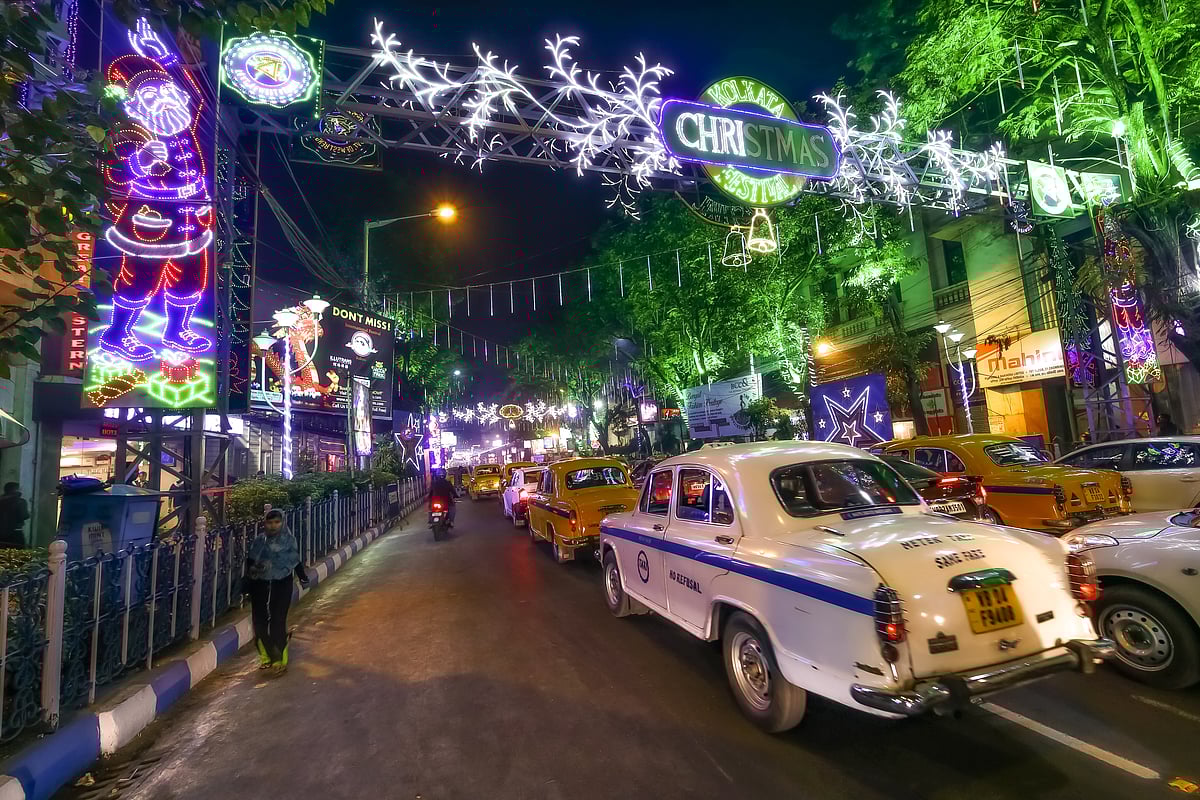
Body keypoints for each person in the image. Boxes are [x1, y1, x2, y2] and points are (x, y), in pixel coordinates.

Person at [245, 509, 308, 674]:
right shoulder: (259, 542)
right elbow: (250, 563)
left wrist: (303, 578)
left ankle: (280, 658)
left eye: (277, 522)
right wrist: (247, 586)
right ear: (264, 523)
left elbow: (295, 561)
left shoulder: (289, 541)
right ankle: (266, 656)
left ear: (283, 522)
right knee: (259, 623)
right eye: (269, 522)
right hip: (260, 585)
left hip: (282, 583)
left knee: (277, 620)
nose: (273, 526)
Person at [0, 482, 29, 549]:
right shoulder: (20, 501)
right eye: (19, 489)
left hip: (1, 534)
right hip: (16, 532)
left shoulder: (1, 500)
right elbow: (24, 515)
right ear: (15, 490)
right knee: (19, 555)